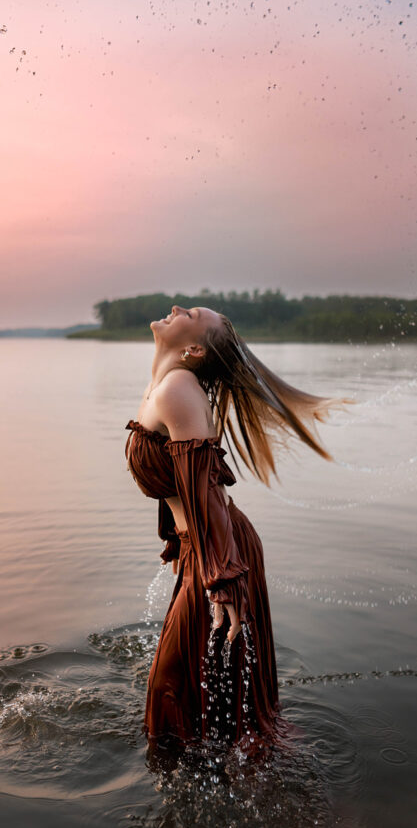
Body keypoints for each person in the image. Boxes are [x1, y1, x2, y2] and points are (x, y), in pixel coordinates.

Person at [124, 304, 352, 765]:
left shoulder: (177, 391)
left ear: (192, 349)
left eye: (189, 313)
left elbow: (205, 490)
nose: (175, 308)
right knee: (201, 689)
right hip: (207, 551)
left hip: (219, 554)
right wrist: (180, 544)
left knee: (174, 687)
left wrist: (222, 579)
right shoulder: (165, 388)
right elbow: (179, 482)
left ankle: (231, 790)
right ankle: (211, 786)